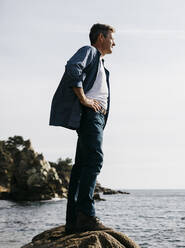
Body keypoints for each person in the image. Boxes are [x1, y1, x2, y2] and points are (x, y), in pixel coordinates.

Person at [49, 23, 116, 234]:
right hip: (90, 116)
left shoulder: (101, 65)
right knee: (95, 159)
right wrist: (84, 99)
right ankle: (86, 215)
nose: (115, 43)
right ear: (100, 37)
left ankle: (73, 223)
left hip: (94, 118)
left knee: (80, 168)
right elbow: (72, 68)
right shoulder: (89, 51)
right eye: (112, 38)